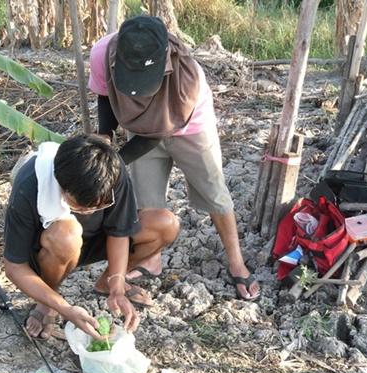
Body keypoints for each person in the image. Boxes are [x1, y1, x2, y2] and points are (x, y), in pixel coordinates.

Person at [88, 14, 261, 301]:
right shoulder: (101, 54)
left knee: (215, 194)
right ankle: (151, 260)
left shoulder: (188, 77)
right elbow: (105, 95)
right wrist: (104, 139)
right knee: (147, 203)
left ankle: (236, 262)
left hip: (190, 130)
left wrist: (115, 162)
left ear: (164, 60)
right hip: (140, 127)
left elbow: (158, 133)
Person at [3, 134, 179, 340]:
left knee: (165, 224)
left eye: (100, 205)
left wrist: (117, 285)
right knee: (67, 234)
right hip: (50, 249)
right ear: (62, 186)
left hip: (94, 240)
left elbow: (119, 231)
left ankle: (106, 283)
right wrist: (64, 308)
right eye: (80, 206)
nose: (90, 211)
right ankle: (47, 301)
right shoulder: (30, 185)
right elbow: (14, 267)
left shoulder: (110, 170)